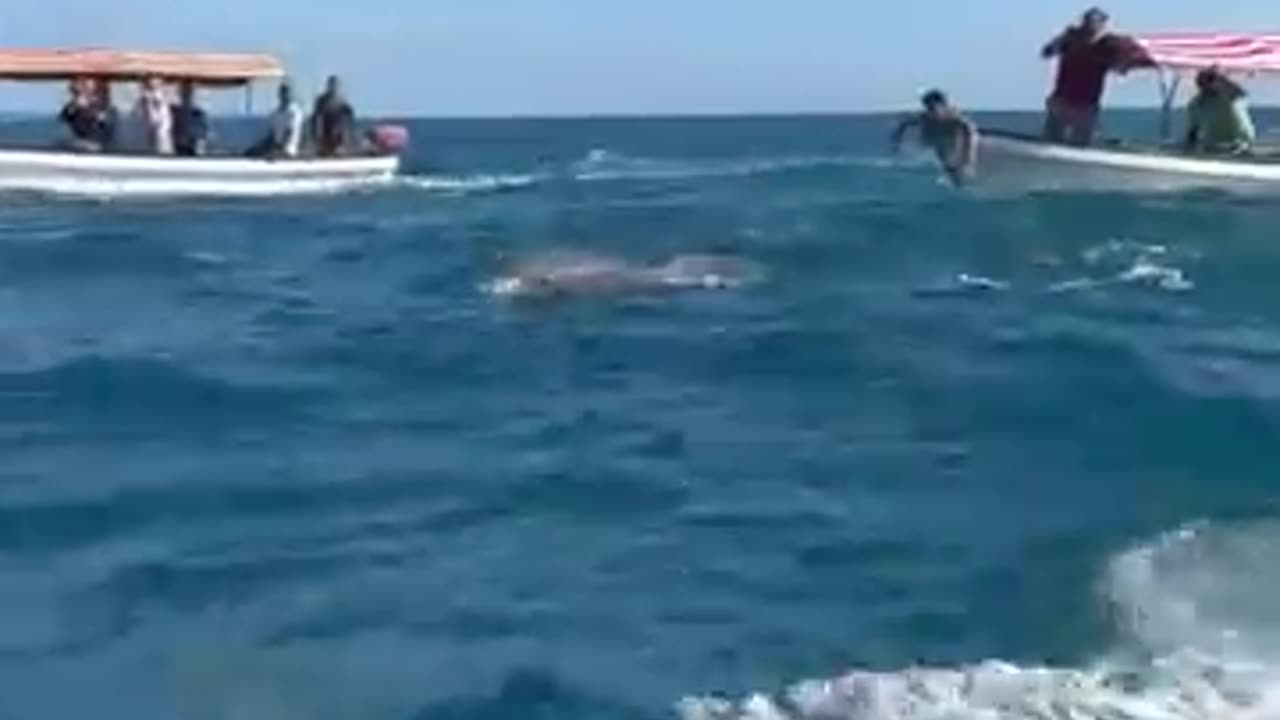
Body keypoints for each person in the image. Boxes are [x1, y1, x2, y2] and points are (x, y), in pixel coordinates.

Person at [1041, 8, 1140, 146]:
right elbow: (1046, 52)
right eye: (1087, 21)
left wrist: (1121, 61)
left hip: (1086, 104)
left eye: (1095, 22)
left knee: (1080, 143)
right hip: (1063, 99)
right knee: (1052, 140)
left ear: (1102, 25)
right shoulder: (1071, 38)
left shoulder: (1108, 45)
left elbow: (1121, 68)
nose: (1089, 25)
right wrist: (1059, 43)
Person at [891, 90, 979, 185]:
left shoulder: (953, 117)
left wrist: (968, 159)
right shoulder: (924, 117)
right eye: (928, 107)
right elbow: (905, 125)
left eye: (932, 107)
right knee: (945, 162)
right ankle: (956, 178)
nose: (930, 110)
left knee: (953, 163)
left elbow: (968, 130)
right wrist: (896, 142)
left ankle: (960, 178)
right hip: (937, 142)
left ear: (943, 105)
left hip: (951, 140)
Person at [247, 80, 304, 157]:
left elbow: (290, 131)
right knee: (251, 153)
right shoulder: (275, 113)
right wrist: (260, 147)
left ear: (291, 94)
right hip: (275, 149)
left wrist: (279, 147)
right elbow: (273, 134)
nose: (284, 94)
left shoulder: (295, 112)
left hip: (288, 152)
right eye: (282, 91)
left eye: (287, 91)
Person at [310, 75, 356, 156]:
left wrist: (349, 136)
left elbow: (350, 116)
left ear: (337, 86)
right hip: (324, 136)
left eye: (335, 85)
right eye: (331, 84)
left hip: (338, 136)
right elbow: (315, 118)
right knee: (323, 154)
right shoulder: (321, 100)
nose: (333, 87)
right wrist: (315, 136)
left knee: (338, 153)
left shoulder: (341, 101)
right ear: (328, 85)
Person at [133, 77, 174, 155]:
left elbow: (162, 102)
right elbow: (139, 108)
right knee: (151, 138)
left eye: (156, 82)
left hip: (161, 119)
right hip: (150, 120)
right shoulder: (145, 95)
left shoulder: (162, 93)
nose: (154, 83)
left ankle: (165, 152)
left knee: (162, 135)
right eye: (152, 82)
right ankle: (151, 152)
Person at [58, 78, 102, 151]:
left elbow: (102, 125)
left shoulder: (99, 107)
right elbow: (64, 118)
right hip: (77, 143)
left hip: (93, 145)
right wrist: (75, 106)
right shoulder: (72, 105)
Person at [170, 80, 209, 157]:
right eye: (185, 91)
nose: (187, 94)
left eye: (189, 91)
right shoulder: (172, 112)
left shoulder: (199, 114)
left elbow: (202, 136)